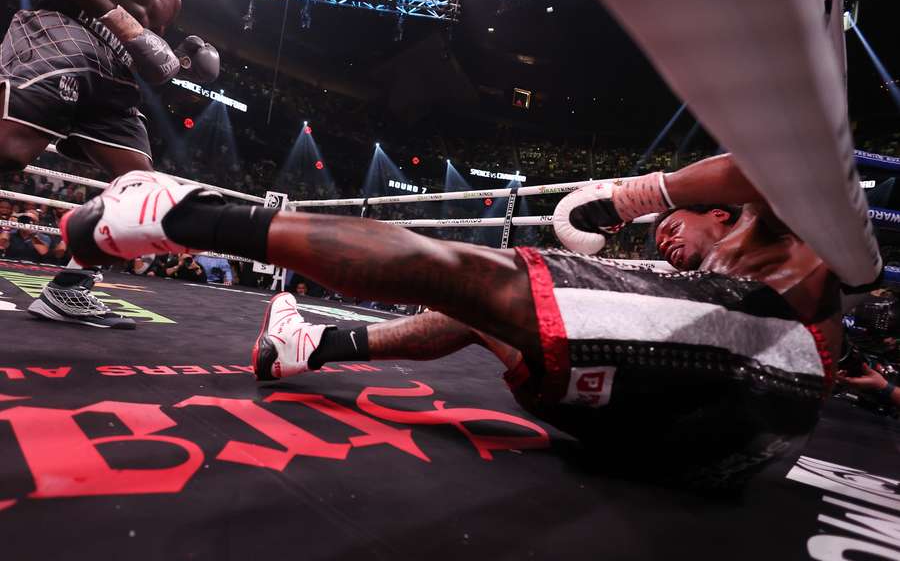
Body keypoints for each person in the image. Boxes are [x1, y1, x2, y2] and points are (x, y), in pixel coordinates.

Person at [60, 153, 835, 487]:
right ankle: (313, 346)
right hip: (695, 452)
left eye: (678, 223)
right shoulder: (704, 280)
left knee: (490, 276)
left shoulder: (784, 235)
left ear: (728, 212)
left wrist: (634, 196)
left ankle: (190, 215)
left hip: (758, 375)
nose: (663, 239)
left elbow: (774, 165)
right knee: (493, 304)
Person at [1, 0, 219, 328]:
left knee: (141, 190)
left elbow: (143, 50)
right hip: (69, 28)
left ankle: (70, 289)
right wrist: (114, 17)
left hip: (116, 72)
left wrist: (180, 62)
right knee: (9, 150)